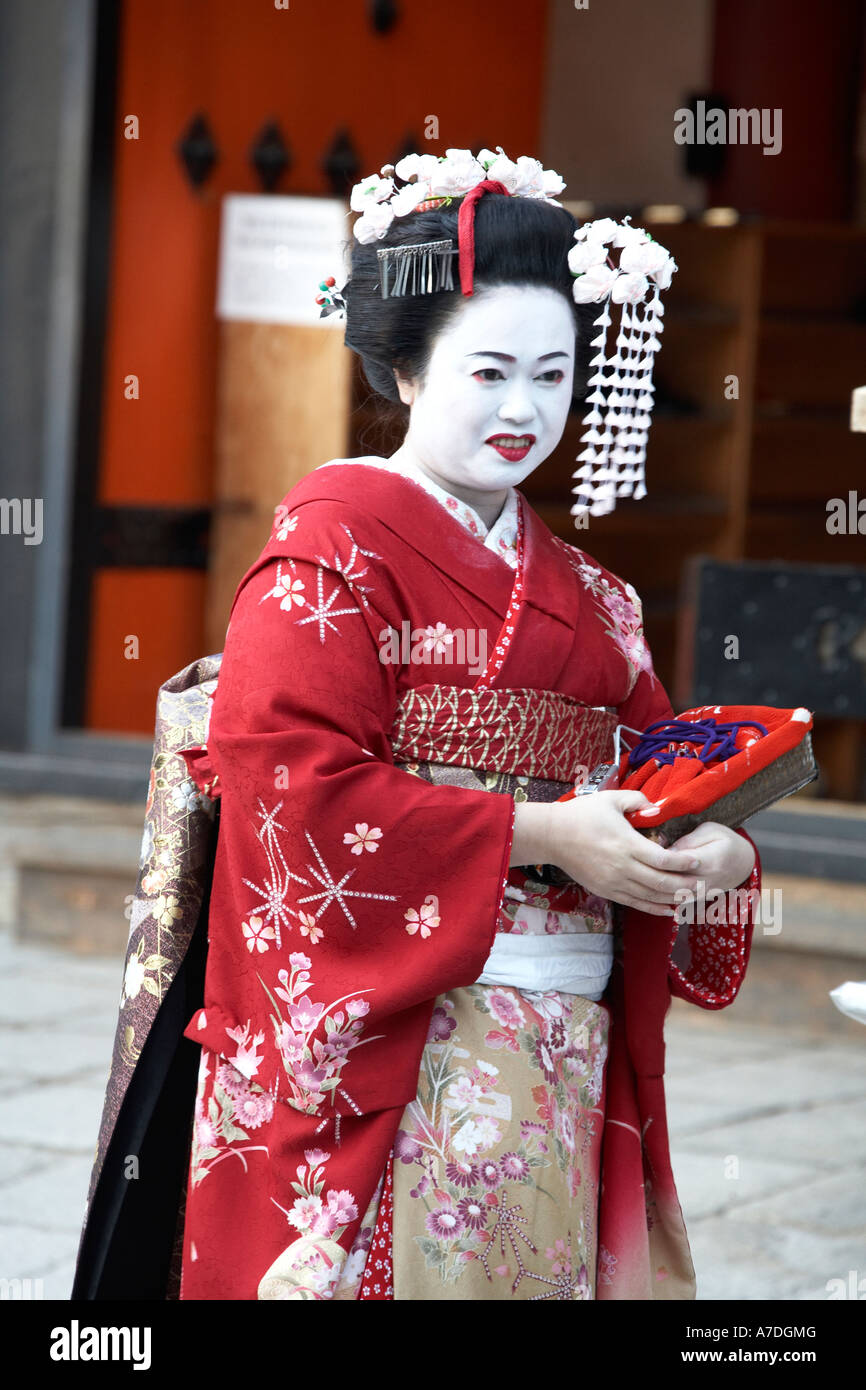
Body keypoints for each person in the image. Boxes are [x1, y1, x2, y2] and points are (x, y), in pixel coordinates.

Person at [74, 149, 760, 1303]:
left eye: (552, 374)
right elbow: (293, 786)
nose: (524, 409)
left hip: (553, 1059)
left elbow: (661, 768)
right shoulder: (329, 550)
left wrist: (719, 847)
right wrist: (543, 838)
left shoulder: (597, 601)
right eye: (487, 370)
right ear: (401, 369)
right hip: (381, 1047)